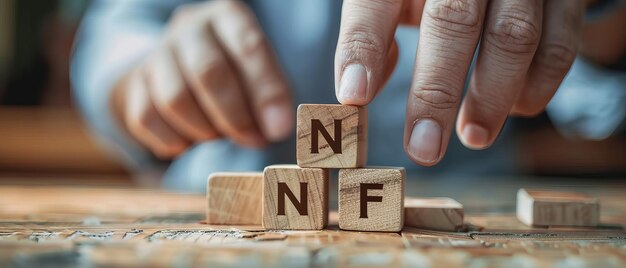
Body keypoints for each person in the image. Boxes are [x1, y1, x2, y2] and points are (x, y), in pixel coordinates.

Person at [71, 0, 626, 191]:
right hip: (229, 211)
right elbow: (111, 37)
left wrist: (595, 11)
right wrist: (139, 78)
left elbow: (588, 93)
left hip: (472, 215)